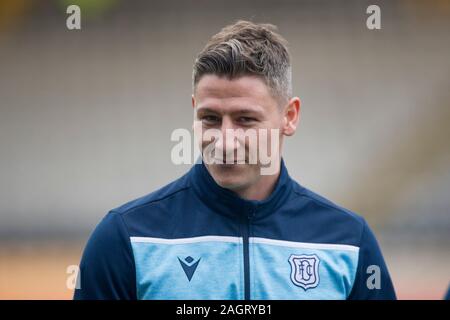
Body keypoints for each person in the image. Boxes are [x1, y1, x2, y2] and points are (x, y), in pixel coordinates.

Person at [74, 20, 396, 300]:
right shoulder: (125, 238)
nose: (225, 139)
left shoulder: (349, 243)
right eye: (210, 118)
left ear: (290, 116)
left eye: (245, 119)